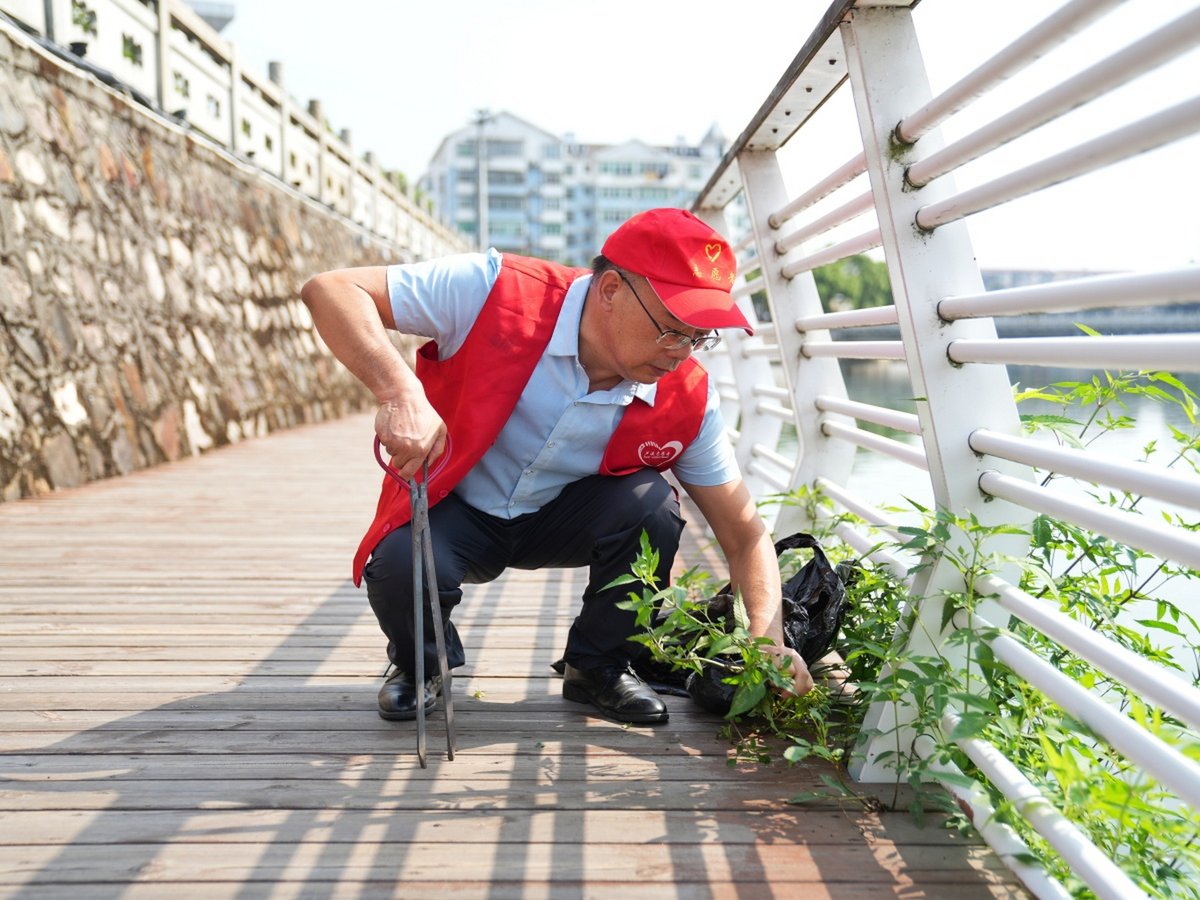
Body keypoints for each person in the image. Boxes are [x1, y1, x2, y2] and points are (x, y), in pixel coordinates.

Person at [300, 208, 813, 726]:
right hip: (453, 508)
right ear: (611, 289)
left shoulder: (689, 397)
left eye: (698, 337)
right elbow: (333, 289)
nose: (680, 354)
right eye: (670, 331)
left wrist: (766, 639)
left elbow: (746, 536)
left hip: (560, 519)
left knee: (654, 506)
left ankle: (598, 668)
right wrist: (399, 390)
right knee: (400, 563)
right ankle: (420, 665)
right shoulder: (492, 290)